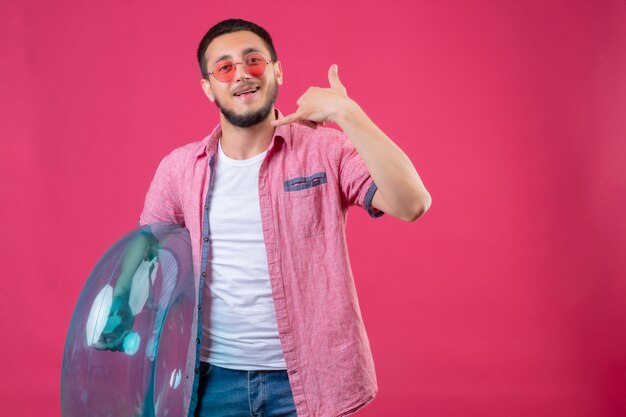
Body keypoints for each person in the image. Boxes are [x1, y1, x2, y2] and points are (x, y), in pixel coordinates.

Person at [138, 18, 431, 417]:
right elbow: (146, 254)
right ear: (209, 87)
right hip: (211, 383)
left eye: (253, 60)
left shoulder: (325, 150)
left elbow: (412, 202)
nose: (241, 73)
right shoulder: (180, 169)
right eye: (224, 67)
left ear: (277, 70)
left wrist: (347, 113)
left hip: (310, 383)